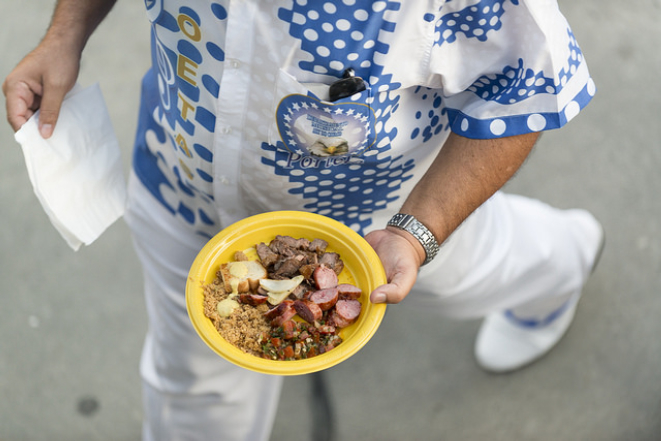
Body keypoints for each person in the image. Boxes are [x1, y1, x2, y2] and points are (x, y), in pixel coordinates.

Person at [3, 0, 604, 439]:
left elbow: (523, 88)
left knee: (484, 268)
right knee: (197, 392)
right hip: (181, 188)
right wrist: (66, 35)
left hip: (382, 220)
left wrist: (418, 231)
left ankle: (565, 261)